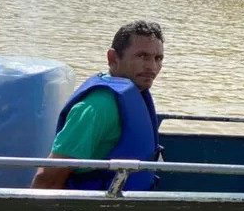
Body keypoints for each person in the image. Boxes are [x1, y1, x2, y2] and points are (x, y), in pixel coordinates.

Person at [31, 20, 165, 190]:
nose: (151, 66)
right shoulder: (98, 107)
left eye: (158, 58)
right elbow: (48, 179)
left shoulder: (136, 95)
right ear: (113, 58)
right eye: (141, 56)